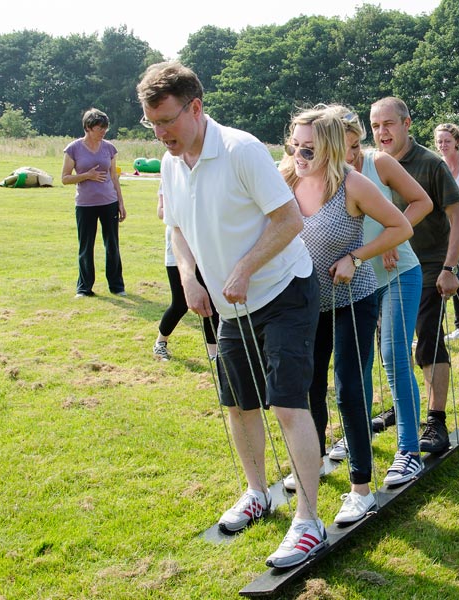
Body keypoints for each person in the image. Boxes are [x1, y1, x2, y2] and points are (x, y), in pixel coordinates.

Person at [137, 62, 324, 569]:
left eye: (167, 122)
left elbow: (289, 219)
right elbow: (177, 228)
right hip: (228, 304)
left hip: (283, 291)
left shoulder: (241, 150)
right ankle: (257, 492)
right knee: (239, 405)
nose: (160, 134)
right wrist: (191, 279)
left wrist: (242, 269)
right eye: (151, 124)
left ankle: (307, 522)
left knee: (287, 405)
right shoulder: (173, 163)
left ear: (195, 108)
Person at [279, 106, 412, 522]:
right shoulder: (286, 176)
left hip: (352, 297)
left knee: (349, 389)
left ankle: (360, 487)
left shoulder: (352, 184)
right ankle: (315, 459)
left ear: (331, 147)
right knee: (309, 386)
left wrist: (355, 256)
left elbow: (400, 227)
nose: (299, 156)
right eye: (294, 146)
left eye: (308, 149)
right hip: (304, 301)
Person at [330, 105, 432, 485]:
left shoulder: (381, 164)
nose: (353, 156)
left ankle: (408, 449)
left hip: (397, 273)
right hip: (355, 285)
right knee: (353, 365)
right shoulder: (322, 177)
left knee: (393, 356)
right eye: (345, 150)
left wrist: (397, 232)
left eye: (356, 146)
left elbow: (422, 202)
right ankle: (356, 437)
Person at [369, 97, 459, 453]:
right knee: (391, 347)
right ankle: (402, 408)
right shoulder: (369, 165)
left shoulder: (430, 165)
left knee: (427, 343)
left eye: (389, 124)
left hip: (427, 268)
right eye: (376, 125)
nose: (382, 132)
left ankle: (435, 421)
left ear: (407, 123)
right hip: (385, 270)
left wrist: (449, 268)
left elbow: (458, 218)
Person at [62, 108, 126, 298]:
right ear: (88, 127)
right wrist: (87, 175)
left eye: (105, 127)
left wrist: (121, 203)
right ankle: (84, 288)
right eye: (100, 127)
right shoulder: (73, 148)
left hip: (109, 202)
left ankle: (117, 286)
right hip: (85, 205)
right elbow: (65, 178)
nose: (103, 131)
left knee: (112, 245)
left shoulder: (109, 148)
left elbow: (114, 176)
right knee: (86, 246)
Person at [153, 186, 218, 361]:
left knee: (209, 304)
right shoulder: (172, 176)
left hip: (204, 251)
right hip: (179, 252)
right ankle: (160, 343)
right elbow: (160, 212)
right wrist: (184, 208)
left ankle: (214, 353)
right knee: (180, 303)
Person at [435, 123, 459, 342]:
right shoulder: (436, 165)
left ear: (457, 142)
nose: (443, 145)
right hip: (444, 234)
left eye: (447, 141)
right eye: (439, 141)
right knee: (450, 277)